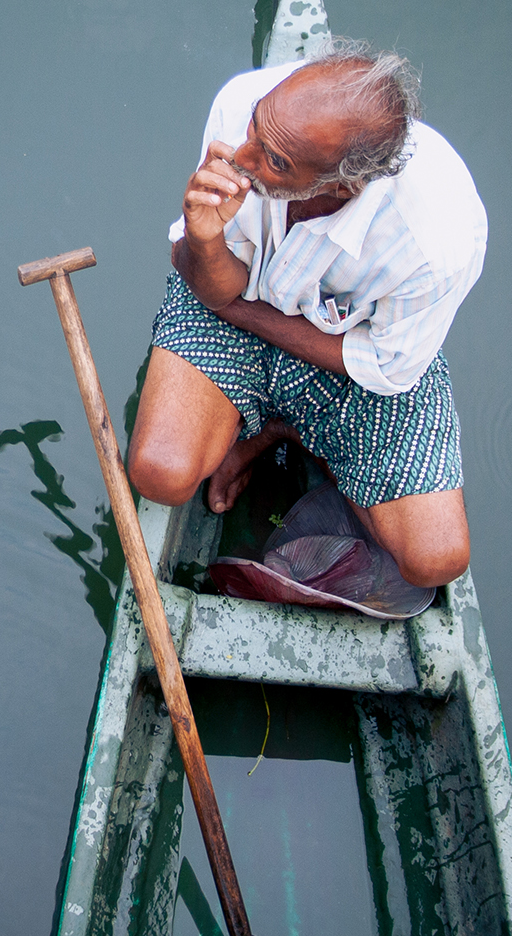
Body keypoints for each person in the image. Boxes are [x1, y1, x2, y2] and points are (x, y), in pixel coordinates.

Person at [124, 40, 487, 588]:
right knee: (160, 475)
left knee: (435, 561)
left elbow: (387, 367)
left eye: (272, 161)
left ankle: (290, 429)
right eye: (255, 130)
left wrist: (242, 312)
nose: (240, 158)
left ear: (343, 186)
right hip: (232, 301)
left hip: (347, 360)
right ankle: (282, 430)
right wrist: (202, 239)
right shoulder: (242, 106)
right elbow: (206, 280)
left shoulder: (438, 239)